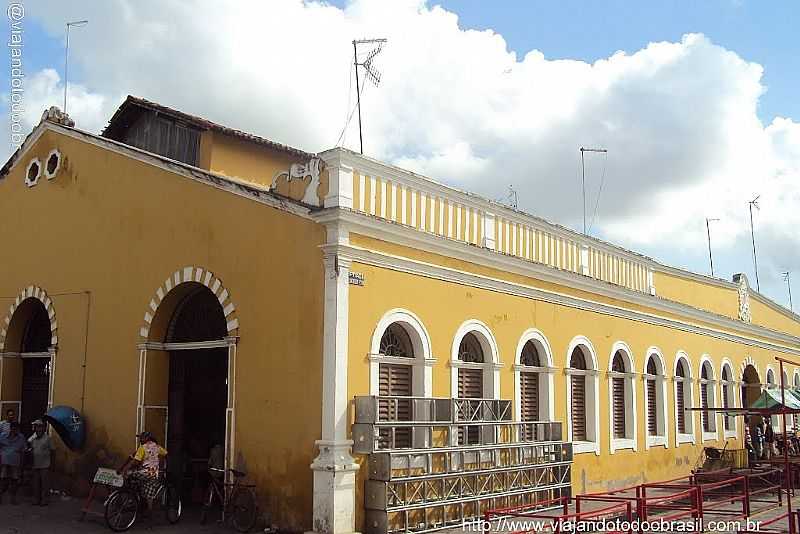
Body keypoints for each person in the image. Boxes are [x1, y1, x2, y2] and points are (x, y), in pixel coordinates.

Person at [117, 432, 167, 511]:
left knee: (128, 475)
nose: (140, 439)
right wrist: (164, 466)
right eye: (140, 438)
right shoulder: (157, 447)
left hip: (144, 472)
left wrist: (124, 470)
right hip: (153, 474)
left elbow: (134, 461)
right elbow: (166, 454)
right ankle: (148, 511)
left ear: (147, 438)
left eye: (142, 438)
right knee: (148, 494)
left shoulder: (143, 448)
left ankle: (131, 496)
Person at [27, 420, 54, 506]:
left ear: (43, 428)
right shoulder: (33, 438)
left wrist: (53, 464)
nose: (38, 429)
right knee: (36, 484)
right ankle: (36, 499)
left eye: (40, 427)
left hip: (45, 465)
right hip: (35, 464)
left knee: (44, 484)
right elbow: (29, 446)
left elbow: (53, 451)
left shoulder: (47, 438)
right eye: (36, 427)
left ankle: (44, 500)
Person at [0, 422, 26, 504]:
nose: (14, 430)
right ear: (10, 428)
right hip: (4, 461)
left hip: (15, 462)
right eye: (13, 428)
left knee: (14, 480)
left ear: (18, 429)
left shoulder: (21, 437)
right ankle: (1, 496)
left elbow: (23, 451)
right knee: (3, 479)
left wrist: (22, 464)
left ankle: (13, 498)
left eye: (16, 429)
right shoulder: (3, 436)